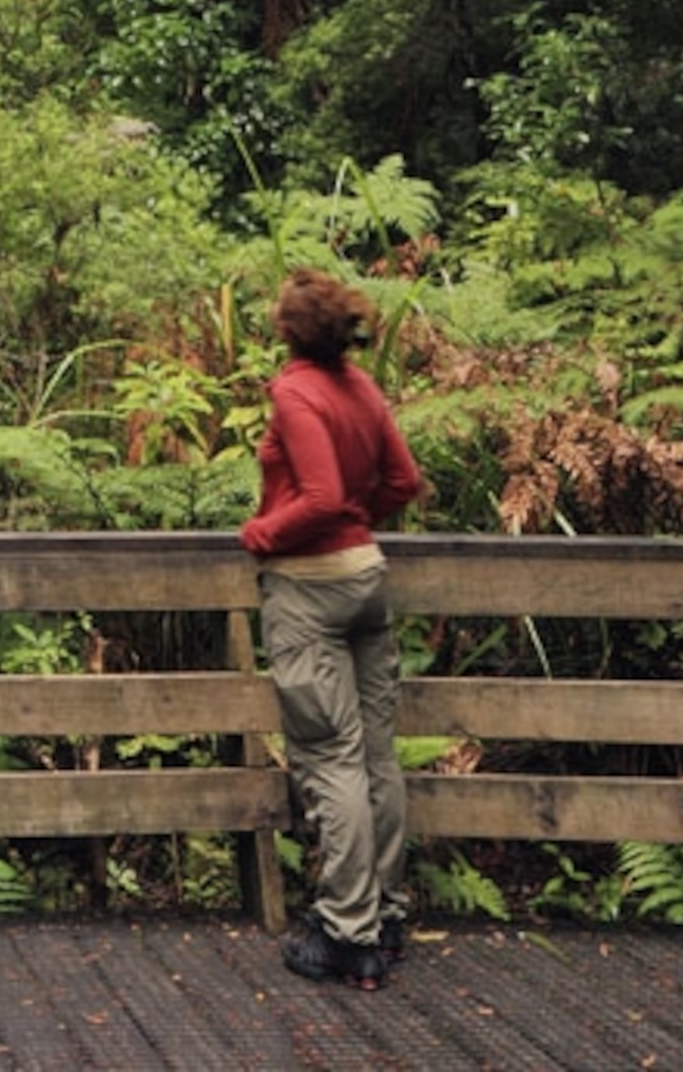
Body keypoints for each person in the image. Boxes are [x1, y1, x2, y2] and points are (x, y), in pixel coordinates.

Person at [240, 266, 425, 988]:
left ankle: (348, 933)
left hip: (310, 589)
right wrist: (357, 521)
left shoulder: (294, 392)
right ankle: (387, 915)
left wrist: (262, 534)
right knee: (377, 756)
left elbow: (317, 496)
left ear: (287, 330)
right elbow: (402, 482)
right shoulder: (361, 388)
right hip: (366, 580)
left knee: (332, 758)